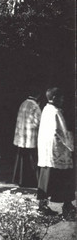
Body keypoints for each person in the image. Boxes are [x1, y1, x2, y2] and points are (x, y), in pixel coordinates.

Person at [37, 88, 75, 219]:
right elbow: (61, 132)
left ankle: (42, 205)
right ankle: (67, 206)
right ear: (53, 98)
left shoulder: (46, 109)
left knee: (47, 178)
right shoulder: (56, 112)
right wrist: (71, 145)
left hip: (47, 151)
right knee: (65, 177)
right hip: (58, 152)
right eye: (61, 97)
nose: (63, 100)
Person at [12, 90, 42, 187]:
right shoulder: (35, 106)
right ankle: (33, 182)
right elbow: (39, 122)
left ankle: (20, 181)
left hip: (21, 136)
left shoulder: (23, 103)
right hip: (31, 136)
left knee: (22, 159)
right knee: (33, 160)